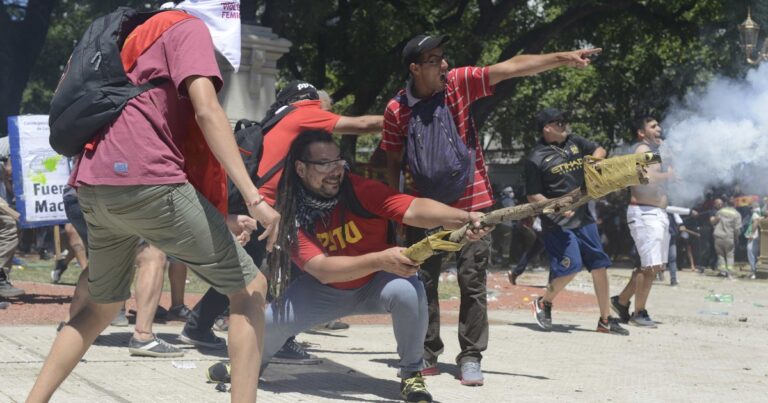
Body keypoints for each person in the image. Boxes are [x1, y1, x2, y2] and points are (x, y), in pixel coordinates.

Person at [27, 10, 279, 403]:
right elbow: (207, 112)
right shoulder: (188, 26)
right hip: (148, 178)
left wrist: (220, 217)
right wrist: (254, 197)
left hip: (94, 183)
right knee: (250, 288)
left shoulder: (136, 35)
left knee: (101, 307)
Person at [381, 33, 601, 385]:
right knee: (423, 283)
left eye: (444, 56)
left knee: (472, 282)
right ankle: (426, 350)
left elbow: (510, 68)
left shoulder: (457, 85)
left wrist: (563, 57)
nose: (445, 64)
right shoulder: (396, 110)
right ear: (415, 68)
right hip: (425, 210)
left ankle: (471, 355)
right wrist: (397, 212)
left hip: (474, 206)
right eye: (436, 59)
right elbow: (393, 161)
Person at [258, 130, 489, 403]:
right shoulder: (287, 211)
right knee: (268, 323)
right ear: (300, 168)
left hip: (376, 284)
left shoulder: (358, 189)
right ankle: (249, 364)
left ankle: (411, 373)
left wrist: (464, 218)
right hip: (323, 290)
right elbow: (321, 268)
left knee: (409, 289)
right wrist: (380, 259)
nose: (335, 171)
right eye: (324, 164)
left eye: (338, 162)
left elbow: (413, 209)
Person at [180, 80, 382, 355]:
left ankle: (197, 326)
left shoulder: (279, 118)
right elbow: (362, 125)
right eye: (325, 107)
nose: (327, 113)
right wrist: (401, 116)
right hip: (271, 210)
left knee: (248, 269)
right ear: (312, 102)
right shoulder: (305, 113)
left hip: (262, 205)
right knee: (292, 273)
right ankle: (280, 341)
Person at [525, 107, 628, 336]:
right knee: (571, 266)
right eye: (558, 122)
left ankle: (605, 320)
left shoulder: (575, 142)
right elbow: (533, 195)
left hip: (584, 216)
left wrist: (593, 164)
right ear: (546, 128)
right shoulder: (535, 158)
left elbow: (599, 150)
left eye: (564, 121)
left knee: (599, 265)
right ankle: (544, 301)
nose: (564, 125)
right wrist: (557, 207)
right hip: (557, 221)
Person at [610, 116, 675, 327]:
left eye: (659, 125)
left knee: (653, 267)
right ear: (641, 132)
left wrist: (669, 161)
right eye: (653, 126)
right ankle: (639, 313)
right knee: (649, 267)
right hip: (645, 214)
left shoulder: (655, 152)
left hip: (656, 214)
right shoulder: (641, 150)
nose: (659, 129)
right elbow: (647, 177)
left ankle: (620, 302)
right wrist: (669, 174)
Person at [711, 197, 742, 279]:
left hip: (718, 236)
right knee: (730, 255)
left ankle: (723, 271)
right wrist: (736, 238)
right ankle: (730, 273)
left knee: (720, 255)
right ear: (734, 204)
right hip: (729, 237)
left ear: (726, 204)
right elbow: (737, 229)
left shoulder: (720, 211)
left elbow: (715, 221)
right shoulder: (737, 214)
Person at [745, 202, 762, 280]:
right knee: (754, 254)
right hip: (757, 236)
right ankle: (753, 271)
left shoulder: (755, 214)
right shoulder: (760, 213)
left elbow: (755, 223)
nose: (750, 209)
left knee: (750, 252)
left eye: (751, 207)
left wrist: (751, 234)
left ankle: (753, 272)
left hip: (754, 236)